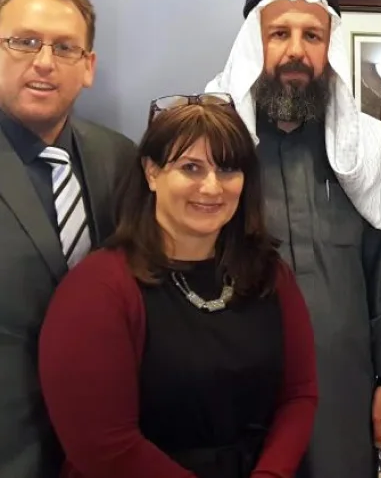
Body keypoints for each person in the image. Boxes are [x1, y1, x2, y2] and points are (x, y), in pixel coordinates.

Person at [37, 98, 318, 478]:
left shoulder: (269, 274)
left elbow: (299, 394)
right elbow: (102, 444)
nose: (212, 187)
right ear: (151, 172)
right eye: (191, 168)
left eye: (228, 168)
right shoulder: (97, 291)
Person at [204, 0, 381, 478]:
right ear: (254, 47)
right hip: (238, 379)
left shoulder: (364, 151)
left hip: (342, 382)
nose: (296, 50)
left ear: (329, 50)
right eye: (279, 34)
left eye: (312, 36)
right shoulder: (209, 148)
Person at [0, 0, 136, 478]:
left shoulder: (120, 159)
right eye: (23, 42)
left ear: (88, 67)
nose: (43, 62)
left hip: (105, 453)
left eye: (64, 48)